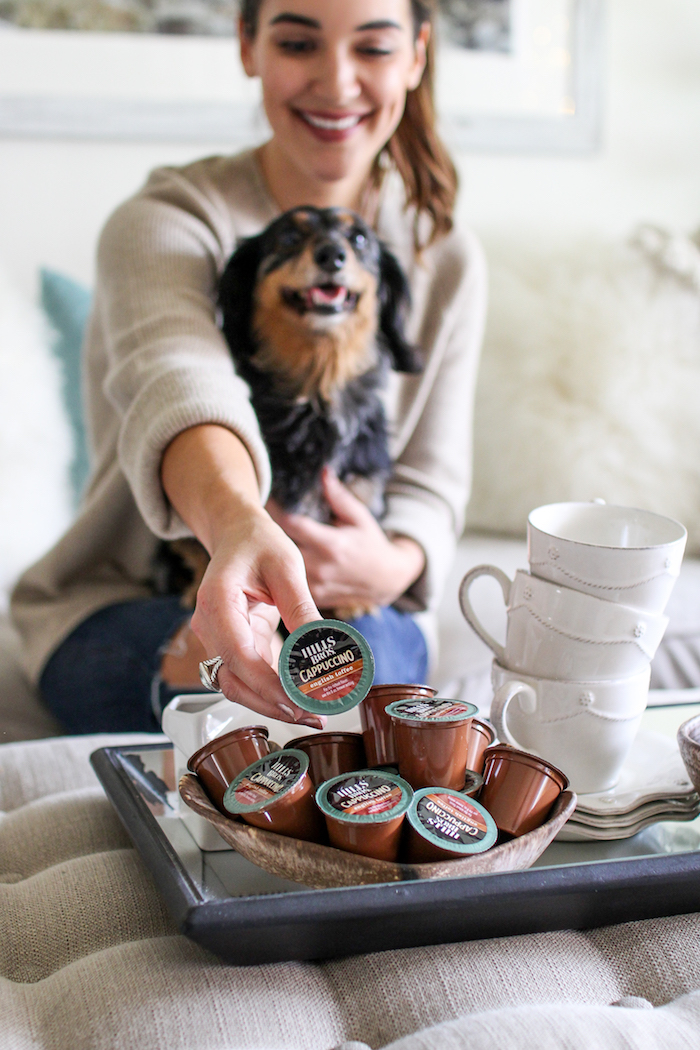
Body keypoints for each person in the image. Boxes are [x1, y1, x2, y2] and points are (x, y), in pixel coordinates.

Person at [11, 0, 487, 734]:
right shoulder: (167, 220)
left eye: (372, 48)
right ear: (247, 45)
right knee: (250, 696)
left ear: (416, 56)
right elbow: (180, 382)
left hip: (355, 601)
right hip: (129, 596)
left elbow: (432, 479)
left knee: (370, 672)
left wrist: (389, 567)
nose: (336, 83)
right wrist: (237, 528)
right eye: (299, 42)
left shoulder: (441, 256)